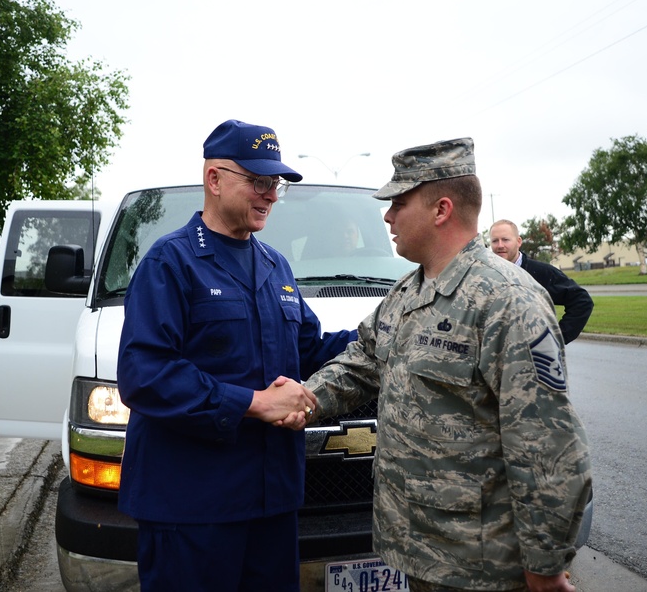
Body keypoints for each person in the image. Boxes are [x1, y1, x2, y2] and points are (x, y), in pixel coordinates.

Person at [297, 139, 592, 592]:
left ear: (441, 210)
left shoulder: (507, 299)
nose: (388, 216)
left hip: (480, 566)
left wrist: (545, 565)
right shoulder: (406, 293)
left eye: (399, 202)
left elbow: (546, 445)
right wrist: (305, 397)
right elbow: (361, 364)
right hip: (418, 551)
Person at [115, 119, 354, 592]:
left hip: (272, 503)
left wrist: (385, 334)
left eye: (275, 185)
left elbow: (308, 350)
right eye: (259, 181)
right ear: (214, 178)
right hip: (193, 507)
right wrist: (252, 402)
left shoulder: (275, 265)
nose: (269, 194)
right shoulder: (171, 262)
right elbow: (144, 373)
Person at [489, 219, 594, 344]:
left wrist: (557, 338)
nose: (500, 245)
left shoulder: (541, 273)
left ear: (518, 242)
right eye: (495, 241)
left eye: (505, 239)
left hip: (532, 360)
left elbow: (582, 301)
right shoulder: (487, 276)